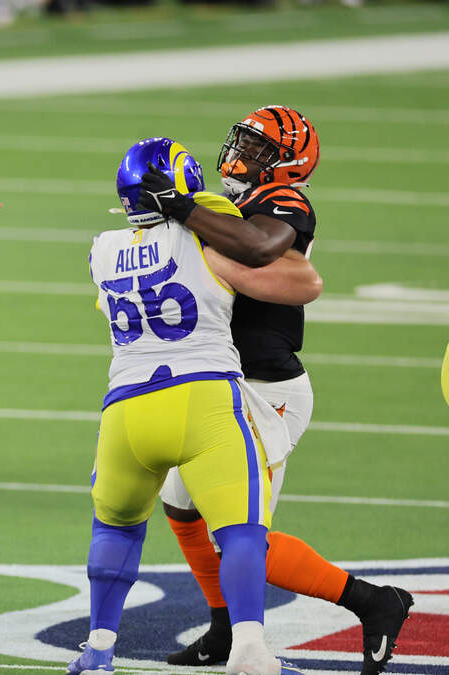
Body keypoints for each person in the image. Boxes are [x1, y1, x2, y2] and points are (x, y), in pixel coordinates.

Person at [140, 107, 413, 675]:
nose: (245, 155)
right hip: (219, 381)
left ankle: (372, 602)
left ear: (290, 163)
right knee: (179, 502)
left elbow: (261, 247)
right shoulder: (230, 208)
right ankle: (222, 625)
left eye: (262, 149)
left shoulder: (285, 204)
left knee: (242, 536)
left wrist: (183, 208)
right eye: (244, 142)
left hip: (267, 387)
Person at [69, 137, 324, 675]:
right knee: (241, 532)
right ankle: (250, 653)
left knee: (114, 529)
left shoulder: (102, 249)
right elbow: (302, 283)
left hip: (125, 411)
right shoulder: (207, 244)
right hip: (205, 399)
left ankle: (97, 651)